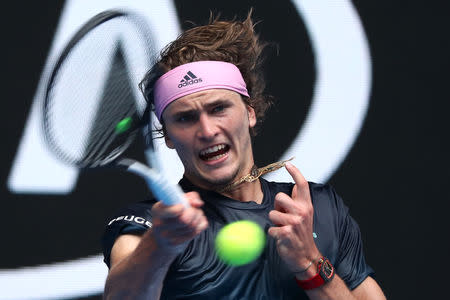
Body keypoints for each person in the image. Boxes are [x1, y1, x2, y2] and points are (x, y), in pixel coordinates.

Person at [102, 13, 386, 300]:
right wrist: (158, 246)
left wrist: (309, 262)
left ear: (250, 112)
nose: (207, 130)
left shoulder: (318, 207)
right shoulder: (151, 224)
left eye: (218, 109)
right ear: (170, 137)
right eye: (186, 118)